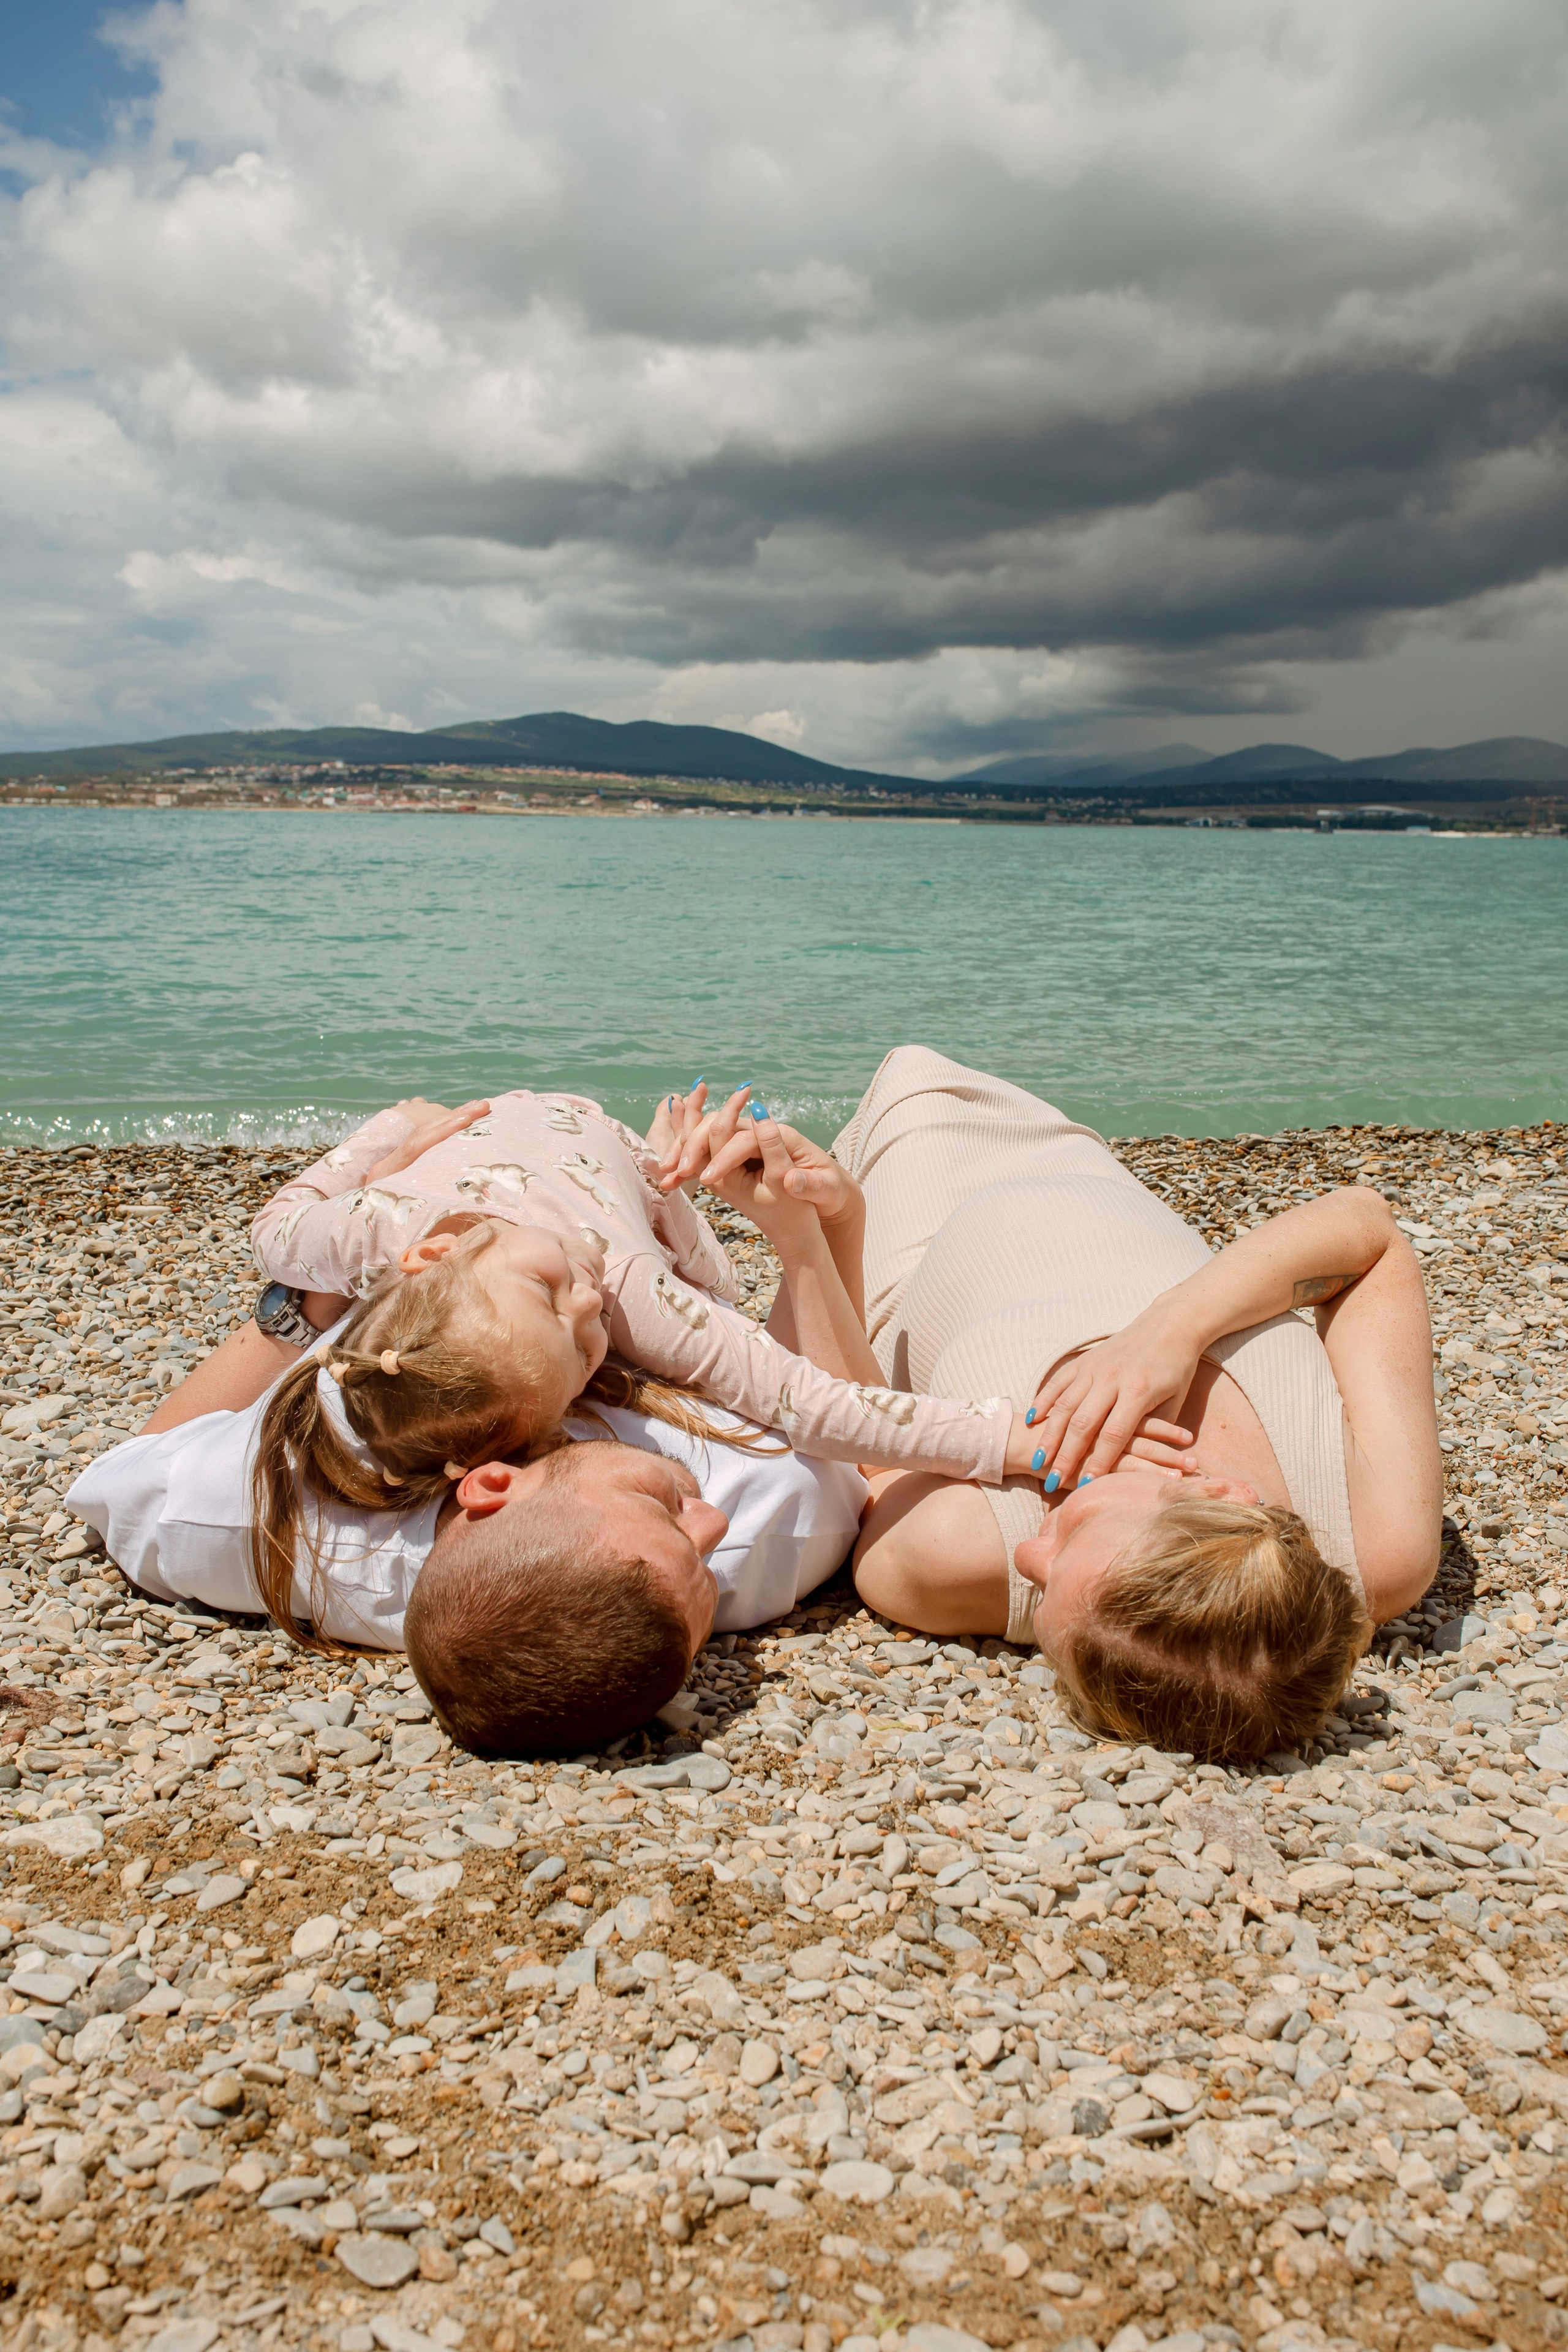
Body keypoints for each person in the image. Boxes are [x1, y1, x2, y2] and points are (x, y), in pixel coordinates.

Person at [676, 1047, 1441, 1762]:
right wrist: (1171, 1329)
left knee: (905, 1069)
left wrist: (814, 1236)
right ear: (1220, 1495)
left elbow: (858, 1422)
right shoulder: (1374, 1542)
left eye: (1035, 1601)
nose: (1026, 1557)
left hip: (906, 1233)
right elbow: (1366, 1230)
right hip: (1066, 1158)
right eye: (1070, 1535)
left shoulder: (947, 1562)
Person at [243, 1085, 1054, 1634]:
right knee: (715, 1290)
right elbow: (810, 1403)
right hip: (639, 1194)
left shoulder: (373, 1227)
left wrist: (393, 1134)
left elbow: (276, 1223)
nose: (589, 1304)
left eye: (545, 1289)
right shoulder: (633, 1293)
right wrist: (1004, 1440)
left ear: (433, 1254)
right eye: (586, 1347)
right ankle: (667, 1170)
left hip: (491, 1143)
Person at [67, 1302, 869, 1754]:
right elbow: (849, 1422)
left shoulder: (245, 1517)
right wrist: (814, 1228)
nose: (712, 1523)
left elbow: (125, 1469)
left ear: (492, 1487)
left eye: (667, 1516)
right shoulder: (772, 1530)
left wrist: (298, 1305)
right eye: (703, 1557)